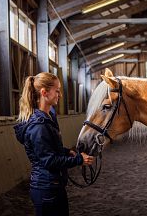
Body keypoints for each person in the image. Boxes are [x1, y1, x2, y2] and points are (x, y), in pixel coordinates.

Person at [14, 72, 94, 216]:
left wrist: (65, 152)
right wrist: (78, 160)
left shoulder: (47, 117)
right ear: (44, 93)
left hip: (53, 186)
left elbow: (48, 148)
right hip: (46, 189)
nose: (59, 95)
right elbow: (48, 160)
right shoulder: (39, 126)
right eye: (57, 91)